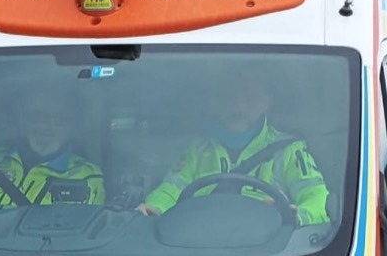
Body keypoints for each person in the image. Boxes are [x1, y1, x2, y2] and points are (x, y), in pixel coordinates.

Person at [139, 84, 329, 225]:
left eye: (250, 98)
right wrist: (154, 208)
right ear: (216, 103)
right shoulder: (198, 149)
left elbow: (318, 198)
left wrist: (294, 216)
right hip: (200, 245)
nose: (239, 108)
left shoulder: (289, 149)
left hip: (268, 253)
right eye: (227, 97)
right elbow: (170, 190)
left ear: (267, 102)